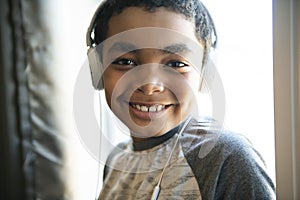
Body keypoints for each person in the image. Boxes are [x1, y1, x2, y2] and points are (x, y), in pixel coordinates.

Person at [86, 0, 276, 199]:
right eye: (125, 61)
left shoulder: (225, 157)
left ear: (205, 73)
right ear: (97, 70)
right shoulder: (117, 159)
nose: (150, 86)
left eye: (176, 63)